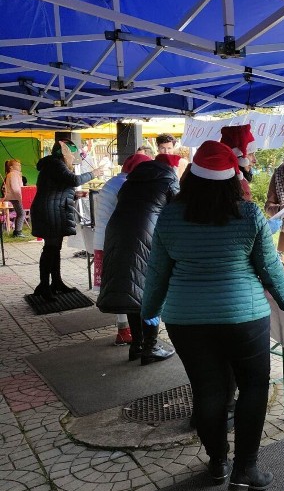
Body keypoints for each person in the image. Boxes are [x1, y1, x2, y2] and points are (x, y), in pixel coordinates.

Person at [140, 140, 284, 491]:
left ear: (191, 177)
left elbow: (157, 273)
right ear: (232, 179)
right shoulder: (249, 214)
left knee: (208, 391)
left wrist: (148, 312)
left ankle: (217, 463)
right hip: (244, 318)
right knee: (253, 387)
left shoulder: (169, 215)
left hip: (186, 321)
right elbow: (269, 268)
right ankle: (246, 469)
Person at [97, 153, 179, 365]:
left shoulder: (130, 181)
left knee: (132, 289)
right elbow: (179, 212)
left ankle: (137, 345)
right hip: (146, 236)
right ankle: (150, 347)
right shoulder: (169, 180)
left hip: (117, 233)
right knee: (150, 289)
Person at [92, 153, 153, 346]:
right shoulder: (126, 185)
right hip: (116, 240)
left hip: (103, 238)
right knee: (125, 287)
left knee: (117, 285)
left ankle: (124, 330)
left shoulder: (113, 181)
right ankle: (125, 331)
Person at [30, 140, 102, 300]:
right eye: (71, 153)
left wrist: (74, 195)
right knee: (50, 249)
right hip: (50, 211)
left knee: (54, 248)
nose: (73, 156)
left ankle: (56, 282)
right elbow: (74, 180)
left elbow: (55, 188)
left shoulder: (51, 165)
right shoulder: (56, 164)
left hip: (50, 209)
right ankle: (44, 286)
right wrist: (93, 173)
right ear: (64, 153)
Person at [220, 124, 257, 202]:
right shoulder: (233, 186)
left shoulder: (239, 181)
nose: (255, 160)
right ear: (238, 158)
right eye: (250, 154)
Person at [3, 159, 25, 237]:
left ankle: (17, 231)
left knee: (20, 213)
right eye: (17, 165)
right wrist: (21, 197)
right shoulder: (13, 174)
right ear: (11, 167)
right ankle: (18, 232)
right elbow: (15, 188)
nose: (19, 166)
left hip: (15, 196)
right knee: (22, 213)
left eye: (20, 165)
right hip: (15, 197)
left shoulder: (13, 174)